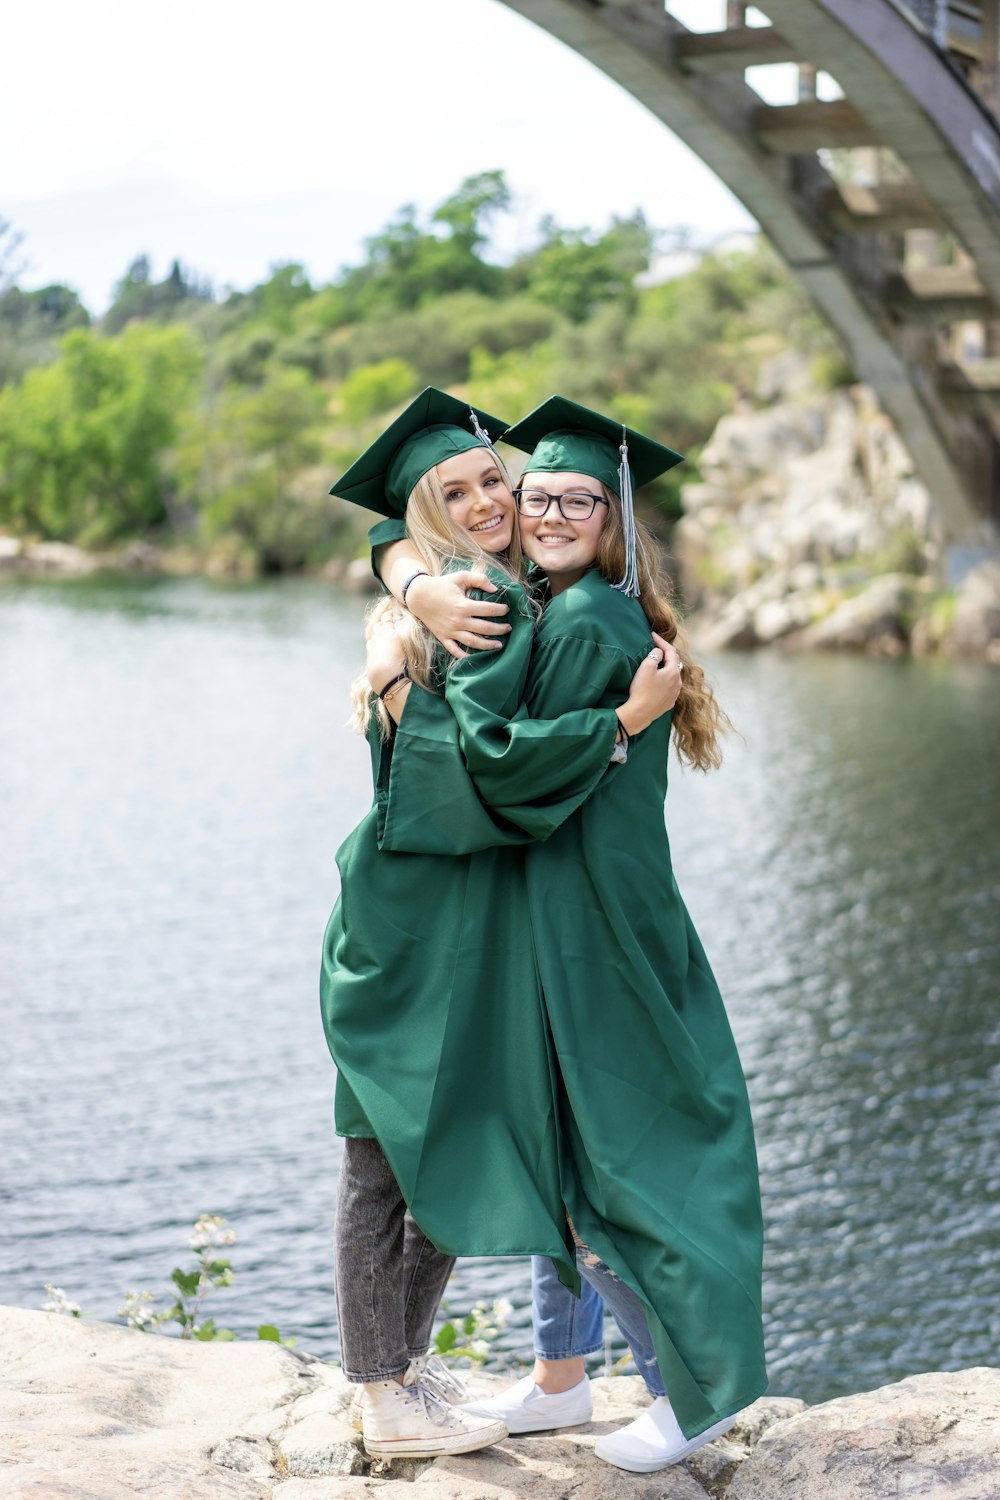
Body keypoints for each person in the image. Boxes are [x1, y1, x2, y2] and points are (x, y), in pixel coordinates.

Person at [367, 396, 768, 1472]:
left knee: (606, 1150)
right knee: (557, 1133)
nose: (542, 513)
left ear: (613, 517)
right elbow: (392, 534)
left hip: (589, 916)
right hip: (569, 898)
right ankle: (559, 1378)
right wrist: (402, 584)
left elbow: (503, 762)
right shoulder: (562, 602)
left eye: (572, 500)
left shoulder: (588, 620)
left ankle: (695, 1389)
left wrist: (400, 686)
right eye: (532, 494)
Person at [320, 388, 680, 1461]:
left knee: (447, 1136)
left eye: (498, 483)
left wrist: (410, 575)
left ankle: (413, 1368)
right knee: (384, 1149)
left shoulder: (468, 584)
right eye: (458, 492)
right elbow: (477, 771)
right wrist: (620, 723)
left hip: (458, 916)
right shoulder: (477, 601)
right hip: (415, 917)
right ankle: (382, 1388)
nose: (489, 503)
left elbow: (388, 536)